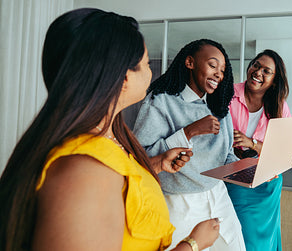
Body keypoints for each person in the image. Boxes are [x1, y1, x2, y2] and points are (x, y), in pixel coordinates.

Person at [0, 8, 220, 251]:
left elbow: (120, 186)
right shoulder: (83, 174)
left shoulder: (111, 137)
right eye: (146, 64)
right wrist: (192, 244)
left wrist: (156, 163)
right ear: (124, 77)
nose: (150, 72)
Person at [133, 39, 246, 251]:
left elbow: (227, 155)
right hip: (180, 202)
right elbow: (142, 155)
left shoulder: (219, 106)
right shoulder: (161, 101)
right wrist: (189, 131)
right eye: (212, 66)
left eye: (222, 70)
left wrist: (247, 171)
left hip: (218, 196)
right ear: (190, 62)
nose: (218, 75)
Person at [227, 49, 291, 251]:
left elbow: (283, 151)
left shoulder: (279, 106)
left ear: (274, 79)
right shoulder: (228, 94)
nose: (258, 72)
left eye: (266, 71)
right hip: (235, 173)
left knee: (266, 234)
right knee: (243, 233)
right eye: (256, 65)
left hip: (267, 178)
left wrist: (251, 143)